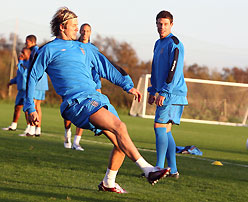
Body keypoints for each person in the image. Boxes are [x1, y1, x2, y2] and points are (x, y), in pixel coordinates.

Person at [24, 7, 170, 193]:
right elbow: (32, 76)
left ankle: (108, 182)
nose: (77, 29)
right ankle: (148, 170)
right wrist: (30, 106)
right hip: (77, 104)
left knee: (121, 143)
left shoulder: (84, 48)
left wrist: (128, 85)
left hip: (97, 99)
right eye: (74, 26)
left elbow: (107, 67)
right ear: (62, 27)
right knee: (121, 128)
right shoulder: (48, 50)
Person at [147, 10, 188, 179]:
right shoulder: (158, 43)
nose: (161, 27)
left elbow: (174, 71)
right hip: (166, 92)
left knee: (159, 127)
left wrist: (163, 92)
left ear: (171, 25)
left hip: (173, 93)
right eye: (159, 23)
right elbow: (155, 69)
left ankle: (158, 167)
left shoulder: (175, 44)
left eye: (165, 24)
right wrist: (152, 90)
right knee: (166, 131)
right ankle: (173, 170)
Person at [64, 23, 101, 151]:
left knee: (85, 112)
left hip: (89, 86)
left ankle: (76, 142)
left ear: (91, 32)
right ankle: (67, 134)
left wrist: (98, 85)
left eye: (88, 31)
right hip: (73, 84)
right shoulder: (73, 46)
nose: (85, 33)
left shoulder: (93, 49)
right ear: (79, 31)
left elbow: (97, 69)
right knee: (69, 113)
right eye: (83, 30)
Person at [23, 35, 49, 137]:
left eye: (27, 42)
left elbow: (34, 68)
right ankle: (38, 129)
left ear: (31, 42)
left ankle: (32, 129)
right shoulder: (37, 50)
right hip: (42, 82)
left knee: (33, 105)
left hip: (37, 82)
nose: (26, 44)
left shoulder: (35, 50)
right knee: (37, 106)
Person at [2, 47, 31, 132]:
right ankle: (13, 125)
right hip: (20, 90)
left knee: (26, 109)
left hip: (27, 90)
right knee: (17, 107)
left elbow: (23, 73)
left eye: (23, 53)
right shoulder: (22, 63)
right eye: (21, 52)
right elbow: (19, 76)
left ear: (28, 54)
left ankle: (29, 127)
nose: (21, 54)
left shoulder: (28, 64)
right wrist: (11, 82)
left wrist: (20, 61)